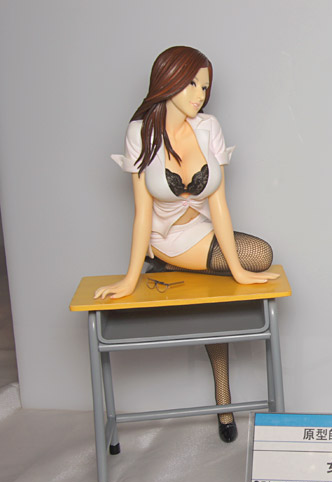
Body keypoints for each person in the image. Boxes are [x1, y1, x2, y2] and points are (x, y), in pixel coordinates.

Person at [94, 46, 279, 443]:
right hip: (165, 241)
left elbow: (220, 205)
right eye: (191, 84)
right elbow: (142, 214)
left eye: (205, 87)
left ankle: (223, 399)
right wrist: (129, 279)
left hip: (201, 232)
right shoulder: (140, 132)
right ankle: (224, 403)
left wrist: (238, 270)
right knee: (245, 267)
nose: (199, 94)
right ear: (168, 80)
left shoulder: (209, 127)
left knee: (255, 259)